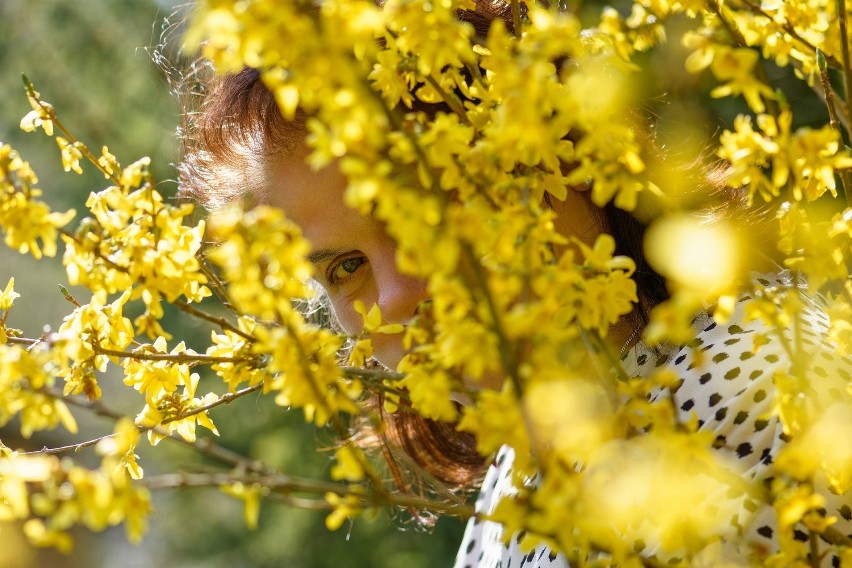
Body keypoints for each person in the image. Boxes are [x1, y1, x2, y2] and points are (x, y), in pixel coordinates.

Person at [178, 2, 852, 566]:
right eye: (343, 268)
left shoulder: (747, 398)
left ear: (559, 146)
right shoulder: (540, 455)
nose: (395, 297)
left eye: (426, 209)